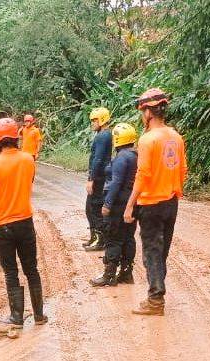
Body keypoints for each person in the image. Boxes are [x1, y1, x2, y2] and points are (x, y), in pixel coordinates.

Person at [124, 88, 187, 316]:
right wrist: (173, 189)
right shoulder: (176, 137)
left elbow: (143, 174)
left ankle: (155, 300)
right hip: (171, 202)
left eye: (142, 111)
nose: (142, 115)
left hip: (150, 204)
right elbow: (182, 170)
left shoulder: (148, 139)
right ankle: (156, 294)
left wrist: (131, 204)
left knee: (152, 250)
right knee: (162, 251)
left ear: (149, 112)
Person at [0, 117, 48, 330]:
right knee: (32, 269)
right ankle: (39, 314)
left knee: (11, 272)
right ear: (16, 137)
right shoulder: (28, 159)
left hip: (3, 226)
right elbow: (28, 183)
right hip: (25, 222)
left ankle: (17, 317)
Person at [90, 123, 138, 287]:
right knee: (128, 237)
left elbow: (115, 183)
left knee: (113, 238)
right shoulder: (135, 155)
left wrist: (107, 204)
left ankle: (109, 275)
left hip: (118, 202)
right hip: (132, 202)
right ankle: (126, 273)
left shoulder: (121, 157)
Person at [83, 107, 113, 251]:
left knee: (94, 208)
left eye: (94, 120)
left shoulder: (103, 136)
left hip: (99, 177)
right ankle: (95, 237)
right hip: (101, 176)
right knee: (90, 208)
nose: (92, 123)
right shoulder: (104, 134)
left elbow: (98, 159)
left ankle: (101, 240)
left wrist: (91, 179)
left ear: (101, 120)